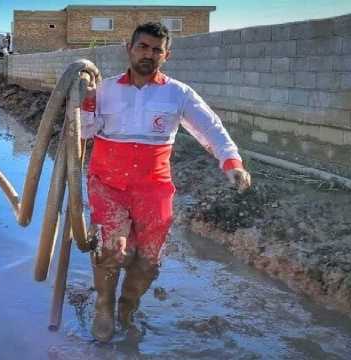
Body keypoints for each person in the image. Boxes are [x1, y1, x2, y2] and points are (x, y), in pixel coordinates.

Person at [80, 22, 251, 341]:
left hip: (153, 188)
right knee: (112, 249)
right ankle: (103, 306)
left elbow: (211, 129)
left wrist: (232, 163)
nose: (148, 54)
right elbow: (85, 133)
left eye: (156, 49)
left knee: (147, 261)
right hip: (108, 185)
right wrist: (86, 104)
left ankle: (126, 307)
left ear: (166, 55)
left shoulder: (178, 93)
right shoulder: (105, 91)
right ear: (128, 49)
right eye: (142, 46)